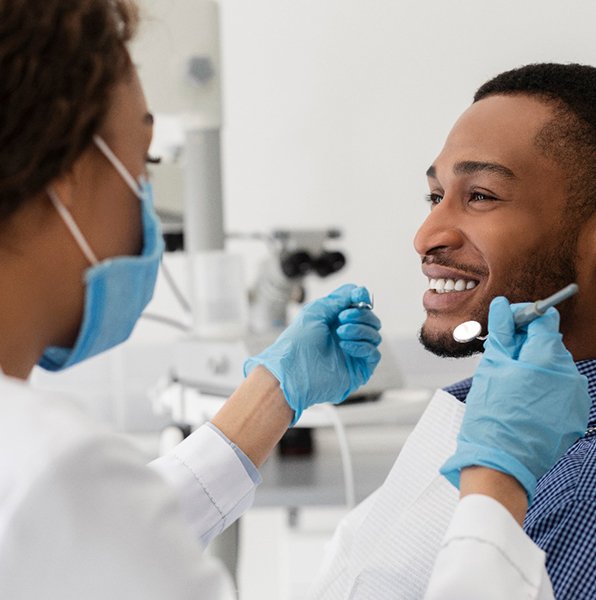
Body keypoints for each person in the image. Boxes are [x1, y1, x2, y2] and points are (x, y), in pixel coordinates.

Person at [0, 2, 382, 598]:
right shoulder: (51, 472)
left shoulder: (51, 486)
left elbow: (105, 551)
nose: (146, 201)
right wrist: (493, 490)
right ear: (69, 170)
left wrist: (272, 394)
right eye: (143, 163)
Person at [308, 63, 595, 599]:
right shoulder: (486, 414)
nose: (426, 236)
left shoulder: (579, 490)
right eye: (434, 196)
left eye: (481, 195)